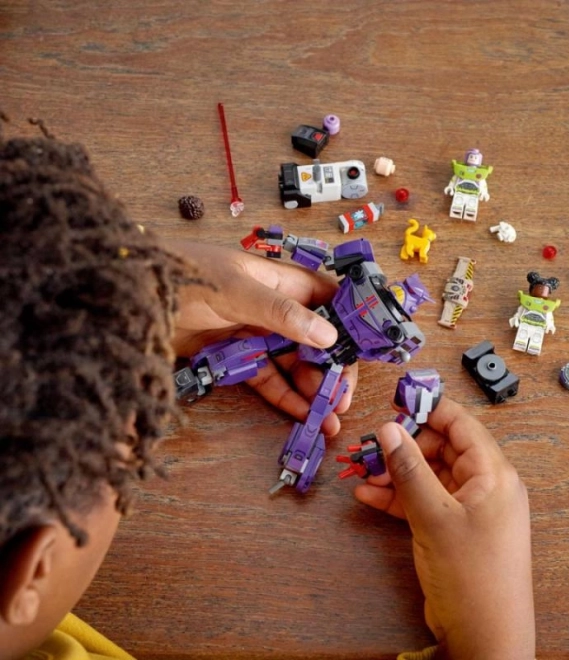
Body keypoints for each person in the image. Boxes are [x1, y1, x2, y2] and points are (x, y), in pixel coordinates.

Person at [0, 122, 534, 660]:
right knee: (277, 377)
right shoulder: (366, 280)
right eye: (128, 434)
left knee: (313, 408)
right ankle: (259, 431)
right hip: (317, 342)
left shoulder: (394, 322)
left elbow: (333, 276)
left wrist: (124, 288)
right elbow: (319, 255)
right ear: (35, 568)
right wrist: (493, 641)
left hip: (327, 352)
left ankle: (294, 461)